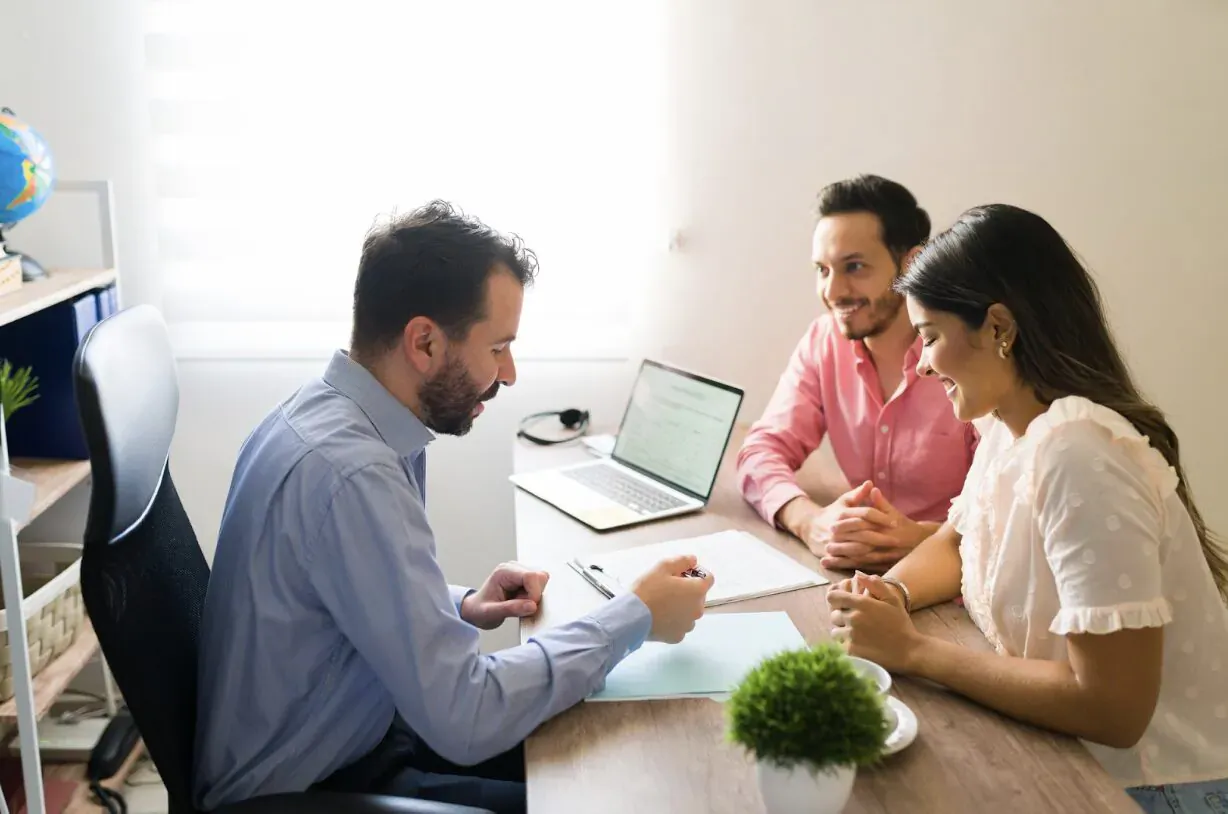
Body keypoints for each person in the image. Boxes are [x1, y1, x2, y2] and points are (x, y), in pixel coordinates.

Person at [193, 201, 714, 814]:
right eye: (498, 348)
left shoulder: (337, 414)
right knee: (603, 792)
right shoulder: (354, 473)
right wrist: (636, 617)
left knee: (600, 752)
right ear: (424, 342)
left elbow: (337, 594)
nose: (510, 374)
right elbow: (464, 718)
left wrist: (457, 604)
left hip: (352, 729)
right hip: (305, 784)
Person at [827, 204, 1228, 810]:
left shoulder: (1082, 454)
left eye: (930, 337)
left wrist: (912, 649)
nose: (922, 363)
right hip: (1063, 753)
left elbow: (1112, 709)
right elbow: (958, 540)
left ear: (997, 328)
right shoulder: (1010, 427)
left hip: (1153, 786)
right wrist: (891, 596)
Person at [737, 174, 978, 572]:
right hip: (858, 574)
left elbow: (1014, 509)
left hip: (960, 582)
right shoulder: (824, 340)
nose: (833, 291)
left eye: (854, 267)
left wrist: (923, 538)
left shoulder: (968, 351)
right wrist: (808, 520)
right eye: (823, 270)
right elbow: (761, 451)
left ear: (911, 262)